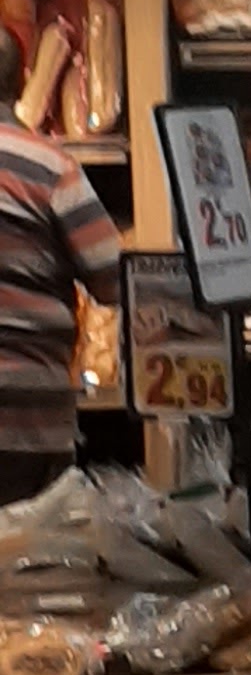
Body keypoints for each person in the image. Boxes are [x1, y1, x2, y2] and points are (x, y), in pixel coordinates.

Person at [0, 71, 121, 505]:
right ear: (20, 84)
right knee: (25, 544)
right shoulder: (49, 166)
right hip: (27, 421)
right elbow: (112, 280)